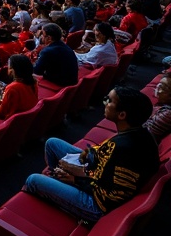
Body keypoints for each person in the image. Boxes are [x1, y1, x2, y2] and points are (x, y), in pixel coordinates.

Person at [23, 86, 159, 222]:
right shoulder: (140, 133)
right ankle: (58, 177)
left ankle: (57, 193)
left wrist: (75, 180)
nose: (105, 102)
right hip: (95, 178)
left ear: (122, 115)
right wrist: (89, 154)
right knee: (53, 143)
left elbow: (112, 195)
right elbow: (104, 166)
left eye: (109, 101)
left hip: (95, 204)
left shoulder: (123, 148)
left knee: (33, 180)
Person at [0, 54, 39, 120]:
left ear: (13, 70)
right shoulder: (34, 81)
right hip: (28, 118)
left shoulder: (13, 88)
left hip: (12, 121)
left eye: (8, 67)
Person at [34, 22, 79, 87]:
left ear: (49, 38)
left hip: (60, 84)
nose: (41, 37)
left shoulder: (47, 51)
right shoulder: (66, 46)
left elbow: (37, 71)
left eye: (42, 35)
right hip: (72, 82)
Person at [143, 74, 171, 141]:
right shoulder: (162, 104)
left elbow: (144, 136)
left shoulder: (167, 114)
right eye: (159, 85)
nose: (157, 89)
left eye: (163, 87)